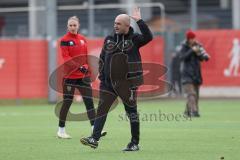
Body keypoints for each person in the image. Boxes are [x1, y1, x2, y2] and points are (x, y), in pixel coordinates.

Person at [80, 7, 153, 151]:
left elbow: (149, 36)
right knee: (102, 110)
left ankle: (134, 143)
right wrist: (103, 75)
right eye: (115, 23)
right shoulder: (109, 39)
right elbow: (102, 58)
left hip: (128, 84)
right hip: (108, 83)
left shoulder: (135, 39)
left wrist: (139, 20)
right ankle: (94, 138)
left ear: (127, 26)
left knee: (131, 113)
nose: (115, 26)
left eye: (119, 24)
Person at [57, 16, 107, 139]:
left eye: (74, 25)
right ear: (67, 26)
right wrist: (79, 67)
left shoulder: (83, 39)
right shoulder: (64, 40)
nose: (73, 27)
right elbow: (66, 58)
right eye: (70, 25)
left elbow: (85, 57)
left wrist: (89, 72)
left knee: (89, 102)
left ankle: (95, 129)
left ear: (78, 26)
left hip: (83, 77)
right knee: (67, 103)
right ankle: (61, 130)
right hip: (69, 77)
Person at [178, 30, 210, 117]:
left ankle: (187, 112)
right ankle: (194, 111)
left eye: (193, 38)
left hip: (196, 74)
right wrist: (192, 50)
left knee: (196, 95)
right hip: (186, 74)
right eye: (191, 38)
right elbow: (182, 57)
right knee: (191, 93)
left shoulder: (198, 46)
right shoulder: (183, 47)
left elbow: (202, 58)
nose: (193, 40)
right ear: (188, 39)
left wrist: (203, 55)